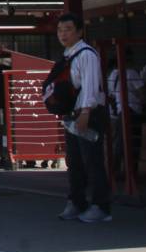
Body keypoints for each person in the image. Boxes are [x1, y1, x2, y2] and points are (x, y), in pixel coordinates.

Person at [46, 12, 111, 223]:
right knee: (74, 161)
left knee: (92, 161)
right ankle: (77, 201)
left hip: (87, 114)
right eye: (60, 30)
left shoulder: (86, 54)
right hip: (72, 115)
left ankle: (101, 206)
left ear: (80, 31)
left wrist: (85, 112)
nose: (63, 34)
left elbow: (91, 86)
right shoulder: (67, 55)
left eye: (68, 30)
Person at [107, 58, 146, 187]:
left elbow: (111, 94)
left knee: (119, 141)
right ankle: (130, 172)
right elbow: (142, 93)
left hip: (118, 111)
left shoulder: (113, 75)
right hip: (132, 109)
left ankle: (116, 171)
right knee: (133, 142)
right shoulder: (131, 73)